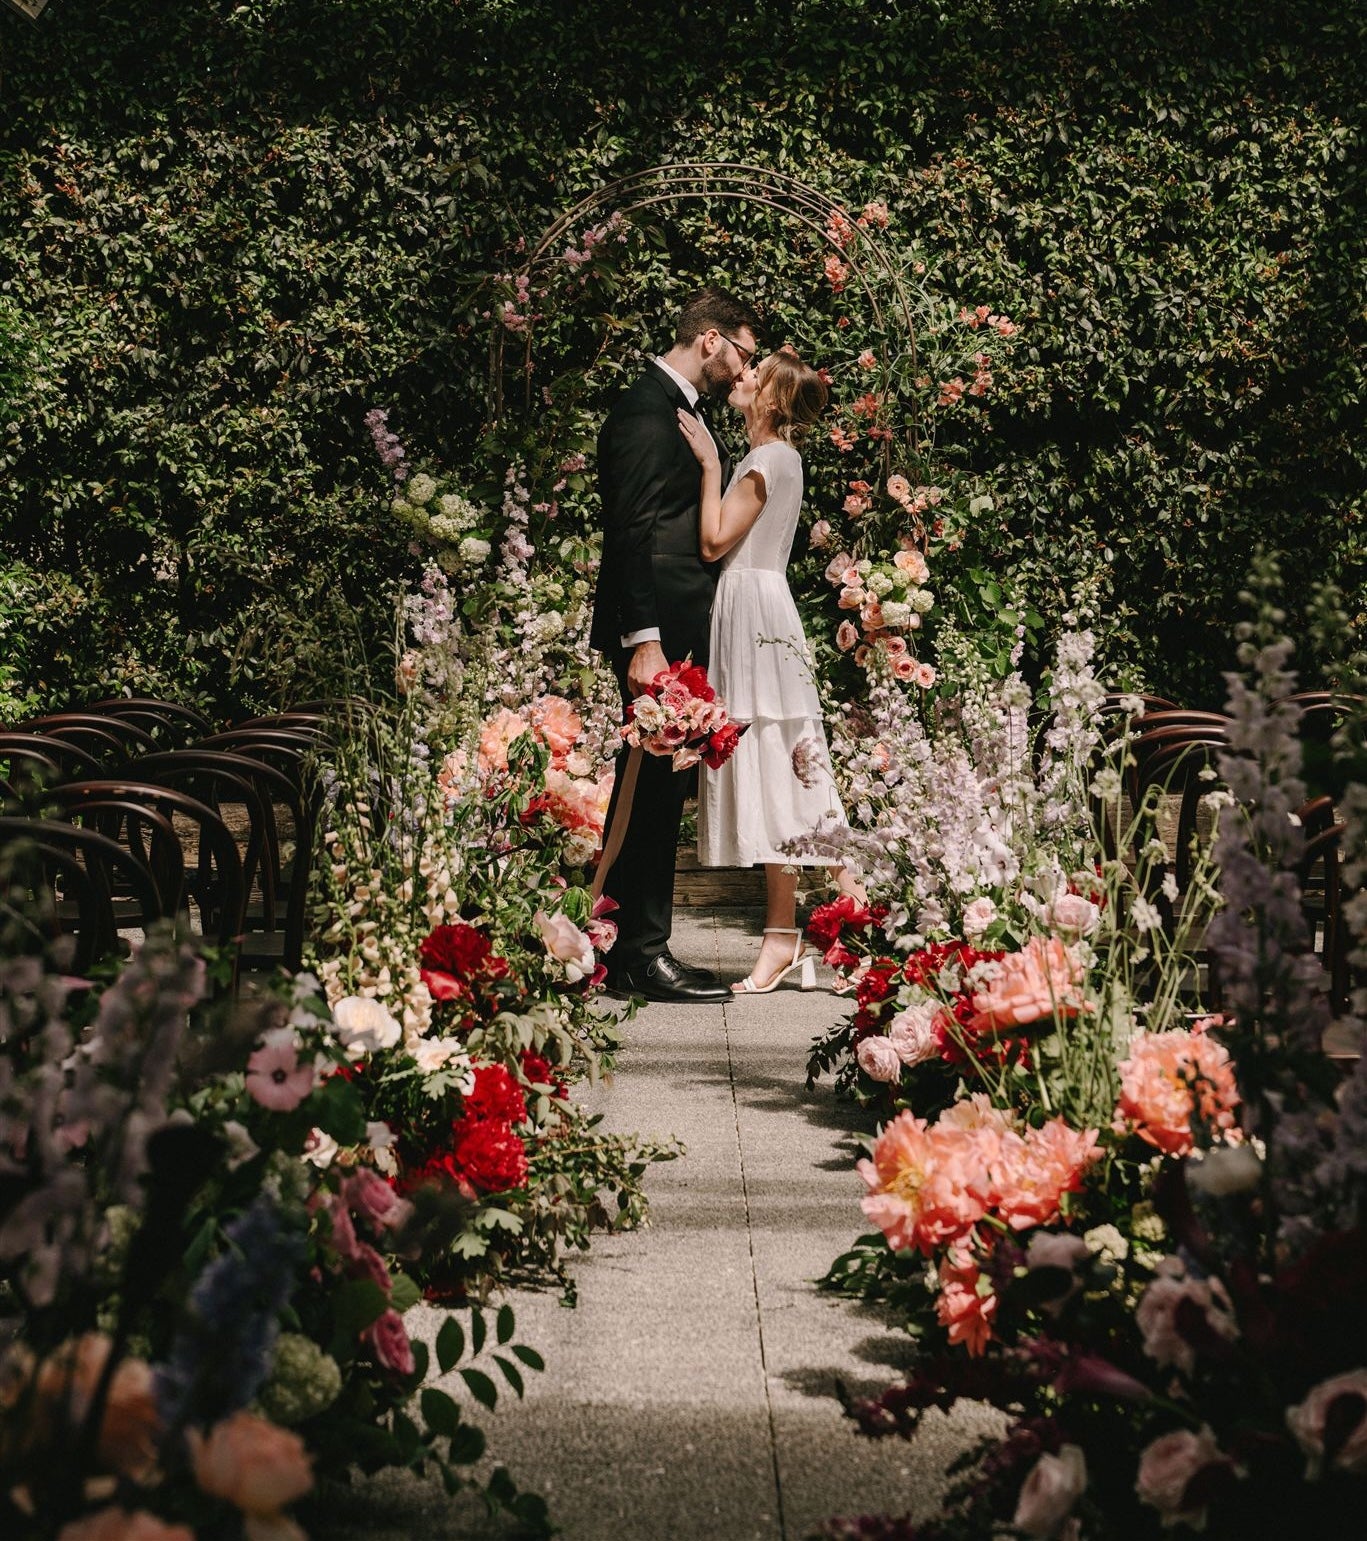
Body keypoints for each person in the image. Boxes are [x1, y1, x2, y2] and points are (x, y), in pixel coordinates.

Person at [590, 286, 762, 1004]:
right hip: (654, 638)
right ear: (710, 340)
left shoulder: (677, 411)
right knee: (648, 792)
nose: (742, 372)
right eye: (742, 355)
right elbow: (629, 531)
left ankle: (631, 946)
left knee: (661, 792)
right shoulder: (641, 411)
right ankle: (637, 952)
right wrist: (643, 641)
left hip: (677, 634)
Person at [677, 348, 865, 994]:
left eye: (756, 375)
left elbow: (712, 541)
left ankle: (849, 925)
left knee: (786, 771)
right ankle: (797, 932)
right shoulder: (776, 458)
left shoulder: (763, 460)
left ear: (775, 402)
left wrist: (707, 466)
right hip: (755, 610)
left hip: (753, 613)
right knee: (777, 772)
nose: (743, 376)